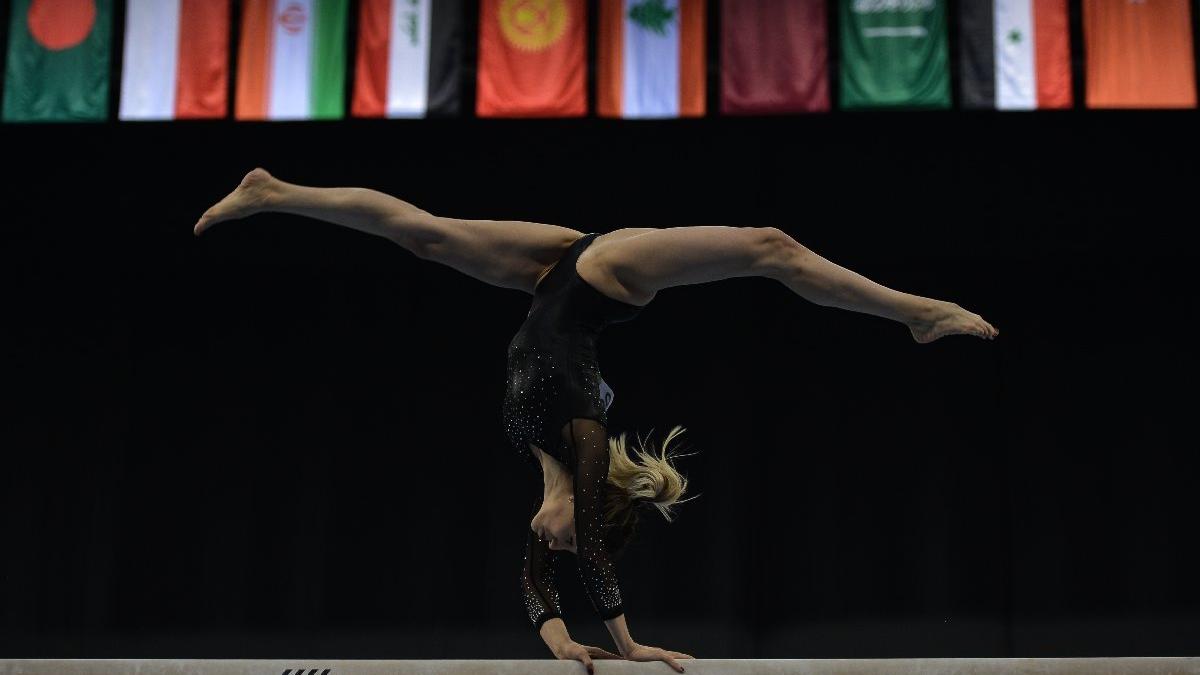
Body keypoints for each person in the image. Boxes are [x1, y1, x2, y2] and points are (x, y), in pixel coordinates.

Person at [195, 169, 997, 674]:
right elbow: (588, 547)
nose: (551, 537)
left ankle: (273, 193)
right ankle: (919, 313)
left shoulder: (534, 458)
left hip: (556, 276)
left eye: (556, 539)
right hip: (607, 280)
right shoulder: (584, 443)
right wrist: (625, 641)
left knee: (423, 234)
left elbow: (535, 585)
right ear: (591, 513)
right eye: (575, 535)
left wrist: (560, 642)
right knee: (769, 245)